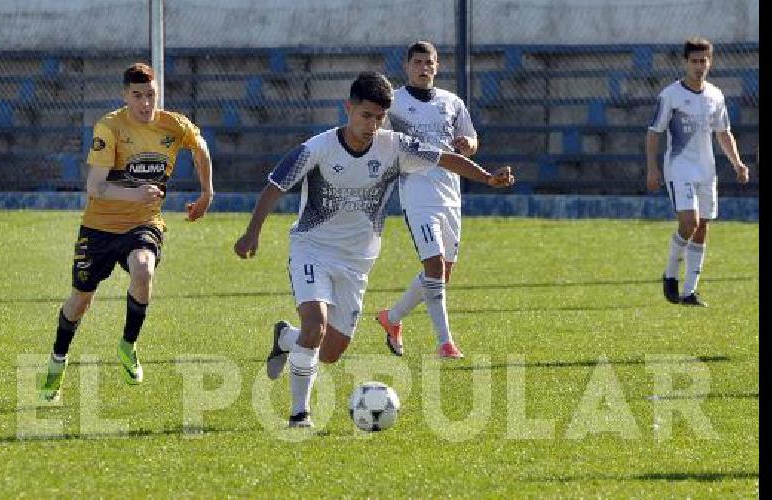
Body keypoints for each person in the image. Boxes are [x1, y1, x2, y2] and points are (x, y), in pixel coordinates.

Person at [233, 72, 514, 427]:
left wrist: (487, 177)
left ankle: (285, 338)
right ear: (348, 108)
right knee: (315, 326)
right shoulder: (318, 148)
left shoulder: (394, 146)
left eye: (380, 117)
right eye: (366, 115)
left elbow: (445, 158)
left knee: (331, 352)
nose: (372, 124)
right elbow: (275, 184)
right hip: (312, 249)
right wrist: (252, 233)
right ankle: (299, 414)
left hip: (357, 261)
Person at [39, 62, 215, 402]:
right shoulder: (110, 127)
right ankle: (57, 363)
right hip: (99, 228)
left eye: (151, 95)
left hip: (143, 223)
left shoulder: (173, 125)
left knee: (143, 267)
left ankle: (128, 344)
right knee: (79, 302)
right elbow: (95, 186)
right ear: (126, 96)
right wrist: (134, 193)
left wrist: (207, 193)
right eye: (138, 96)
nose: (146, 104)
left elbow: (201, 149)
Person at [375, 40, 478, 359]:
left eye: (429, 63)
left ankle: (391, 319)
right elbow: (377, 139)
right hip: (417, 192)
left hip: (450, 193)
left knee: (442, 274)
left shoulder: (452, 102)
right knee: (432, 265)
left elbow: (472, 140)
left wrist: (469, 145)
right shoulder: (393, 103)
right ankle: (445, 343)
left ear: (437, 67)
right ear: (407, 66)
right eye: (418, 62)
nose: (424, 68)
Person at [646, 37, 750, 307]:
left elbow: (723, 132)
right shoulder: (671, 95)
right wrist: (652, 168)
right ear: (686, 62)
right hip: (679, 167)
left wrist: (737, 163)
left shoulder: (715, 95)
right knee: (689, 223)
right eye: (694, 61)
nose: (699, 66)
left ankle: (690, 291)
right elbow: (654, 132)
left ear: (710, 62)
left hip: (706, 169)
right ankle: (670, 275)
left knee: (703, 226)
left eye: (704, 60)